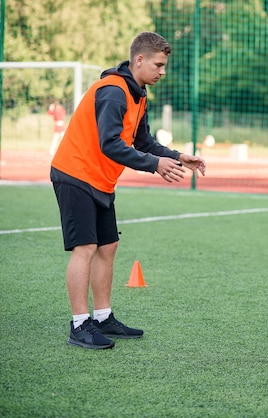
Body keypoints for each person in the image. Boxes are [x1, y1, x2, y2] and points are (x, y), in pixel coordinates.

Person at [50, 32, 207, 349]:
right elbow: (110, 144)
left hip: (100, 180)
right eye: (159, 65)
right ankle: (80, 324)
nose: (162, 72)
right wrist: (154, 165)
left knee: (107, 247)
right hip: (75, 173)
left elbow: (142, 142)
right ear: (139, 60)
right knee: (85, 248)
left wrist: (175, 156)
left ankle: (103, 316)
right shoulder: (113, 92)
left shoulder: (140, 94)